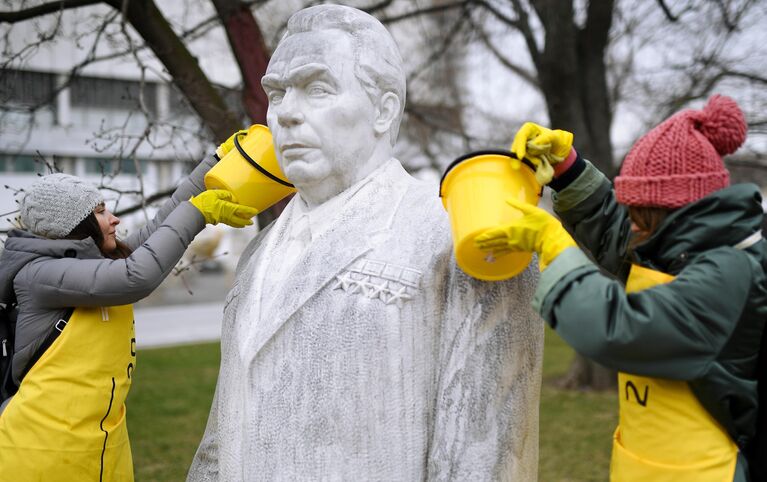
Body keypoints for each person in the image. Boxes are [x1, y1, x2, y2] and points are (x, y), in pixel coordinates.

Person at [187, 5, 543, 481]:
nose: (286, 113)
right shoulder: (258, 252)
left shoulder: (465, 236)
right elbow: (222, 430)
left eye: (317, 89)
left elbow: (484, 453)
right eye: (277, 93)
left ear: (383, 109)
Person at [476, 95, 766, 481]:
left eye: (638, 215)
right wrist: (567, 169)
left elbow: (621, 330)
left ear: (669, 211)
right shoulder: (684, 247)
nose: (629, 225)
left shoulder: (730, 269)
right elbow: (618, 233)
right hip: (650, 464)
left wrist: (554, 245)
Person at [0, 143, 258, 481]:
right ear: (74, 225)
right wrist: (198, 213)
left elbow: (158, 229)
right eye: (100, 212)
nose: (114, 219)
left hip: (106, 448)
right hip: (42, 453)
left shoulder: (95, 265)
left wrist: (218, 161)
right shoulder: (39, 275)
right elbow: (136, 276)